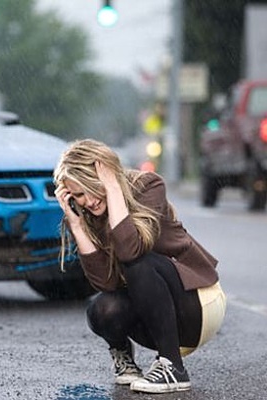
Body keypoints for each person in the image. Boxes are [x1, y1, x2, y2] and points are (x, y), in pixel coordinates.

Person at [53, 139, 226, 394]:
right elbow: (106, 284)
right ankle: (126, 361)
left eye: (91, 187)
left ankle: (173, 369)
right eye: (78, 195)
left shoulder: (148, 185)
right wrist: (77, 226)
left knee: (138, 263)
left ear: (106, 175)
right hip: (156, 321)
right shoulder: (88, 215)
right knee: (101, 308)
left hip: (198, 305)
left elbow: (130, 251)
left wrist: (112, 188)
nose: (87, 201)